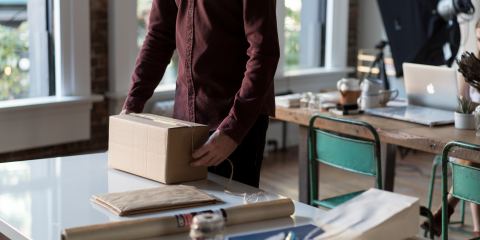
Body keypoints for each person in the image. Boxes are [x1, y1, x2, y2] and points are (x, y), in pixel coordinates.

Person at [122, 1, 280, 188]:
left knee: (233, 214)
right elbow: (159, 37)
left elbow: (264, 53)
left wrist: (232, 130)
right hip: (184, 121)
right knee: (186, 210)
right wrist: (132, 105)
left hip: (236, 120)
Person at [422, 19, 480, 239]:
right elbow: (461, 103)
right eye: (478, 39)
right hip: (470, 135)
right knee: (471, 156)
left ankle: (445, 210)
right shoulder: (471, 65)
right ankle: (476, 229)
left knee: (472, 158)